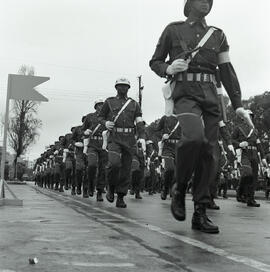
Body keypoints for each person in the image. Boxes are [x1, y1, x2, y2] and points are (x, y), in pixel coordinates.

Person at [149, 0, 253, 233]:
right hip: (185, 95)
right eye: (201, 0)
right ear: (189, 4)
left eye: (209, 0)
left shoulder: (218, 35)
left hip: (210, 97)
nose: (206, 3)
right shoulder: (173, 29)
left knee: (209, 152)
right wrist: (167, 68)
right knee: (194, 138)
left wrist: (237, 104)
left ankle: (200, 212)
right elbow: (154, 61)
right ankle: (180, 186)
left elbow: (226, 69)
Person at [98, 78, 146, 208]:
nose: (123, 88)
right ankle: (111, 187)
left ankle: (120, 196)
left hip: (129, 139)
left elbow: (139, 121)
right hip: (115, 137)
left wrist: (142, 136)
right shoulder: (109, 102)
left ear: (129, 88)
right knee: (114, 164)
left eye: (125, 86)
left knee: (126, 169)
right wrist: (105, 123)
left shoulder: (134, 104)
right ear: (116, 87)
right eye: (120, 86)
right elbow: (100, 117)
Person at [232, 110, 267, 207]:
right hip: (244, 153)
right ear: (243, 117)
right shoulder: (238, 128)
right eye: (248, 115)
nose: (250, 117)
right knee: (247, 173)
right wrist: (239, 144)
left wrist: (263, 157)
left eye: (251, 116)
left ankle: (250, 199)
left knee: (254, 177)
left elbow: (259, 144)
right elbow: (231, 140)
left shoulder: (255, 130)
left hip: (254, 154)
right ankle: (240, 191)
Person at [82, 99, 107, 200]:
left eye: (102, 105)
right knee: (91, 165)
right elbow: (82, 130)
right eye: (99, 105)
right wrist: (85, 131)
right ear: (95, 107)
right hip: (92, 144)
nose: (101, 106)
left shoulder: (108, 117)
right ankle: (88, 186)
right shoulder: (89, 117)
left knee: (103, 169)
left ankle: (100, 191)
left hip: (103, 144)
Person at [156, 114, 181, 200]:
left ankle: (173, 189)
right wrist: (162, 135)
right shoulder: (165, 118)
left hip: (180, 147)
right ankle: (165, 188)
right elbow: (156, 130)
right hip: (168, 147)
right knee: (170, 169)